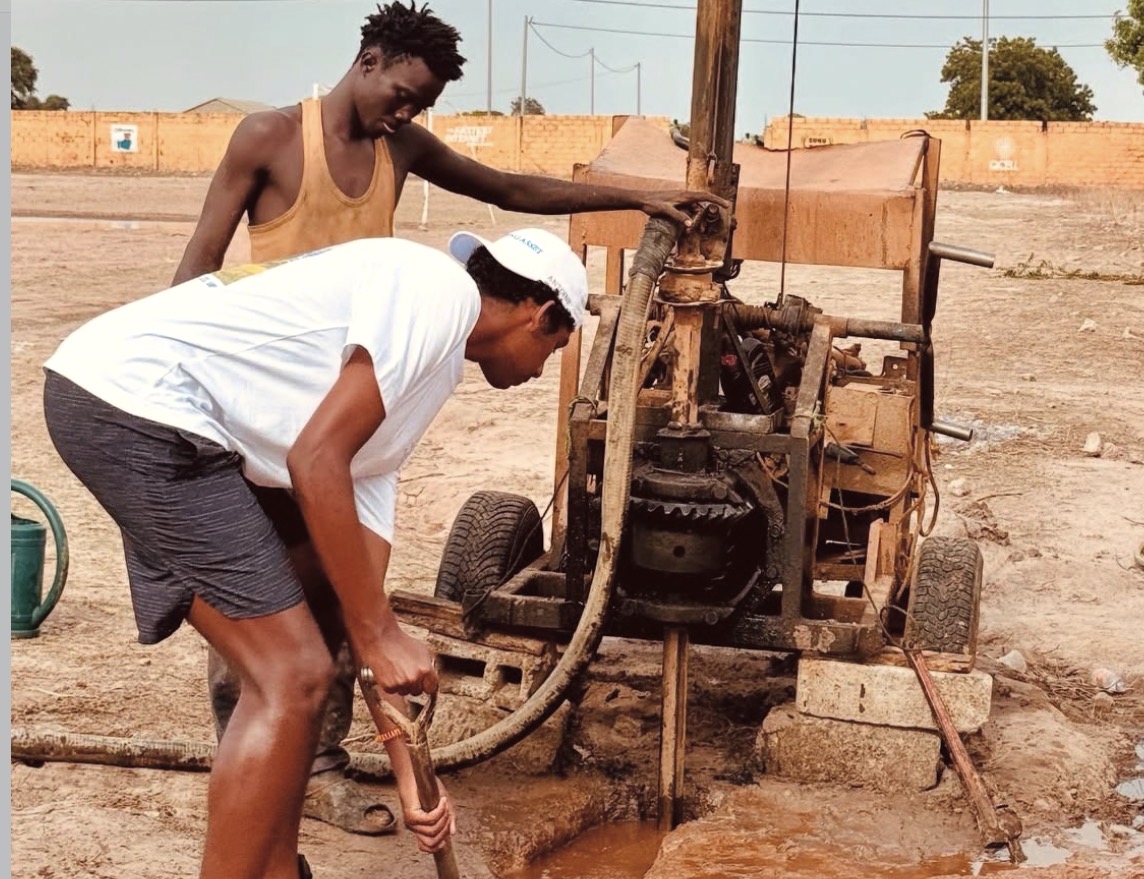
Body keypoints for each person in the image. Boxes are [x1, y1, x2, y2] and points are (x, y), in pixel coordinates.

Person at [170, 0, 726, 837]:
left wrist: (640, 196)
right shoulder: (269, 138)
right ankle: (256, 771)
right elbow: (197, 270)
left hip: (354, 391)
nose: (407, 113)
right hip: (270, 393)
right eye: (402, 94)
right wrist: (200, 392)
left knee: (342, 592)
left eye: (421, 105)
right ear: (367, 58)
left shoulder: (398, 148)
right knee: (260, 600)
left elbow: (506, 189)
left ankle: (317, 766)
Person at [43, 226, 591, 879]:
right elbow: (315, 458)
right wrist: (381, 634)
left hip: (146, 411)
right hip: (138, 406)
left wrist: (409, 769)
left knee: (311, 646)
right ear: (540, 313)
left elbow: (359, 594)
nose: (542, 369)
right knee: (292, 671)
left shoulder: (427, 367)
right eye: (555, 346)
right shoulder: (441, 292)